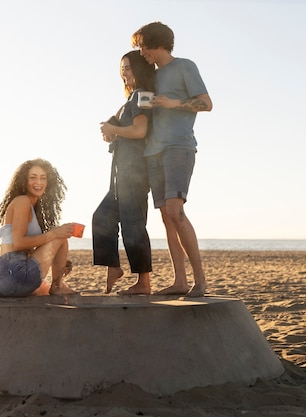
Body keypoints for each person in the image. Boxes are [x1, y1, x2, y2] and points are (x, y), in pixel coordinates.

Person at [132, 21, 213, 297]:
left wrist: (172, 103)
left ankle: (199, 280)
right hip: (153, 150)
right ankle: (180, 281)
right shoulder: (151, 76)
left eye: (142, 46)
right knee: (167, 217)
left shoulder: (185, 66)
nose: (141, 53)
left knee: (176, 211)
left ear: (156, 44)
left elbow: (207, 103)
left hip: (179, 147)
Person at [96, 50, 156, 295]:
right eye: (121, 69)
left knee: (133, 225)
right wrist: (110, 131)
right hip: (122, 172)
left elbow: (141, 131)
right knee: (102, 217)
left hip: (136, 172)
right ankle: (113, 267)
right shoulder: (130, 99)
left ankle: (143, 283)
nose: (124, 74)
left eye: (128, 68)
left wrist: (114, 129)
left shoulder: (145, 95)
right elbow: (124, 129)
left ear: (141, 69)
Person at [0, 158, 78, 297]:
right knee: (61, 236)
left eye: (43, 178)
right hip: (13, 275)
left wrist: (58, 262)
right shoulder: (22, 201)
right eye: (33, 177)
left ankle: (56, 283)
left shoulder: (32, 207)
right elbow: (18, 243)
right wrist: (55, 234)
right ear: (23, 181)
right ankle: (58, 286)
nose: (39, 182)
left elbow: (22, 248)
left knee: (43, 290)